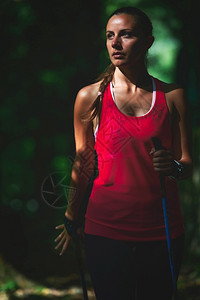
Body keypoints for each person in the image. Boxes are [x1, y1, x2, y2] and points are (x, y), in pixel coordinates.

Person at [55, 6, 193, 300]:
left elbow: (187, 165)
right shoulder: (90, 98)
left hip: (162, 230)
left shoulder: (172, 96)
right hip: (104, 229)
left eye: (126, 35)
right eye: (110, 36)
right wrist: (71, 217)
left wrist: (172, 166)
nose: (115, 43)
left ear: (148, 42)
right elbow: (84, 164)